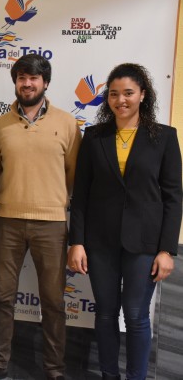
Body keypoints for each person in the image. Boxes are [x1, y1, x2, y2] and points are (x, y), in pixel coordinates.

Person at [68, 63, 182, 380]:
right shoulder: (94, 137)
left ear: (143, 95)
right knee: (104, 314)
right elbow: (81, 194)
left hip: (144, 242)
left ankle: (136, 376)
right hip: (100, 242)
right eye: (114, 94)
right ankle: (109, 375)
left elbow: (173, 198)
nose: (121, 100)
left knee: (134, 315)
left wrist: (167, 250)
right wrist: (76, 241)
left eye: (128, 93)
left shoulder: (165, 138)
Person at [0, 54, 81, 380]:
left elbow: (74, 177)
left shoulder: (66, 123)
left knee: (52, 301)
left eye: (33, 78)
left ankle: (54, 369)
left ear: (45, 82)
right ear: (16, 82)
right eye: (22, 78)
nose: (27, 83)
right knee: (4, 298)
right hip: (8, 220)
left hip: (51, 224)